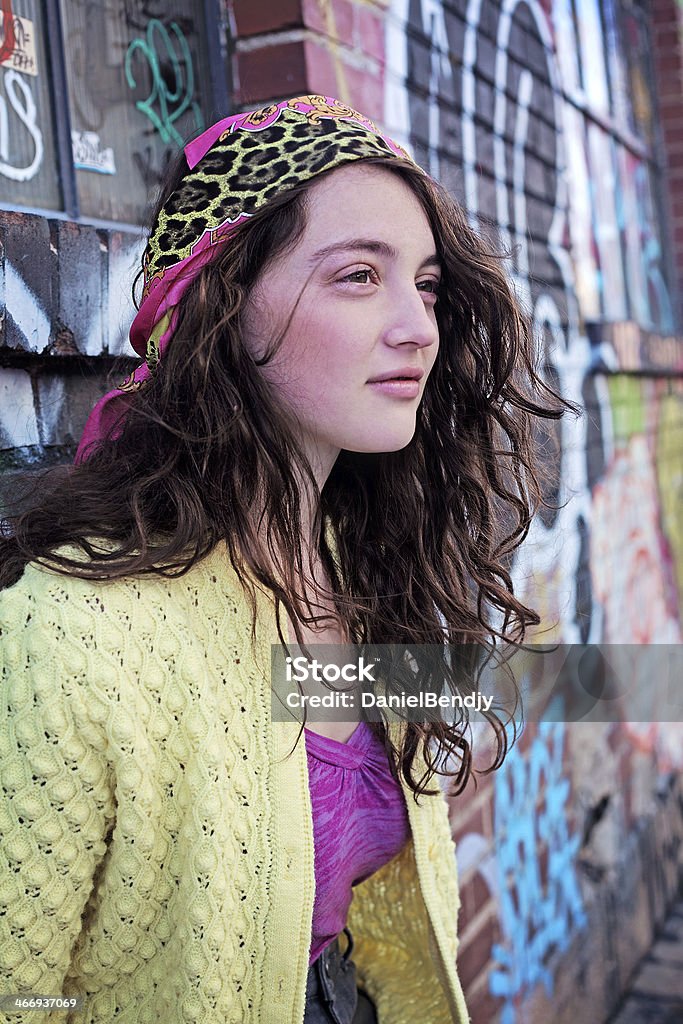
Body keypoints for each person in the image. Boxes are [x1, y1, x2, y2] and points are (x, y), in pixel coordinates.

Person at [0, 95, 570, 1023]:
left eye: (425, 284)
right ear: (220, 307)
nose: (418, 327)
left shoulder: (369, 564)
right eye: (356, 276)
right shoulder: (66, 639)